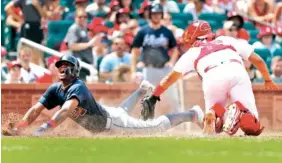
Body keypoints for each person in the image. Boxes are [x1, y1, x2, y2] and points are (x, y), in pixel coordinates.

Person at [3, 55, 204, 136]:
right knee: (121, 110)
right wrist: (21, 125)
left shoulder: (78, 86)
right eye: (60, 66)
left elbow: (66, 111)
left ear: (76, 70)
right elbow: (36, 109)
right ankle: (141, 90)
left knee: (156, 127)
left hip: (112, 125)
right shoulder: (55, 89)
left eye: (67, 66)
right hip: (109, 115)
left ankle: (192, 114)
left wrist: (43, 129)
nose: (63, 69)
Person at [140, 20, 279, 136]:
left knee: (215, 128)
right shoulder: (226, 39)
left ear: (192, 37)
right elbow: (258, 60)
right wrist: (268, 79)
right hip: (237, 72)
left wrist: (154, 97)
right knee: (252, 126)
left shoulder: (192, 52)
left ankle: (216, 112)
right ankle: (239, 109)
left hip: (212, 77)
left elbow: (169, 79)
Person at [131, 2, 180, 112]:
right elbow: (134, 51)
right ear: (150, 15)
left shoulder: (167, 32)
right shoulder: (143, 32)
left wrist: (171, 62)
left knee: (173, 97)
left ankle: (179, 122)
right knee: (147, 97)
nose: (156, 16)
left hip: (164, 70)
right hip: (149, 69)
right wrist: (133, 71)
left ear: (161, 15)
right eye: (154, 13)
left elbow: (175, 50)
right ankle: (146, 122)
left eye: (158, 13)